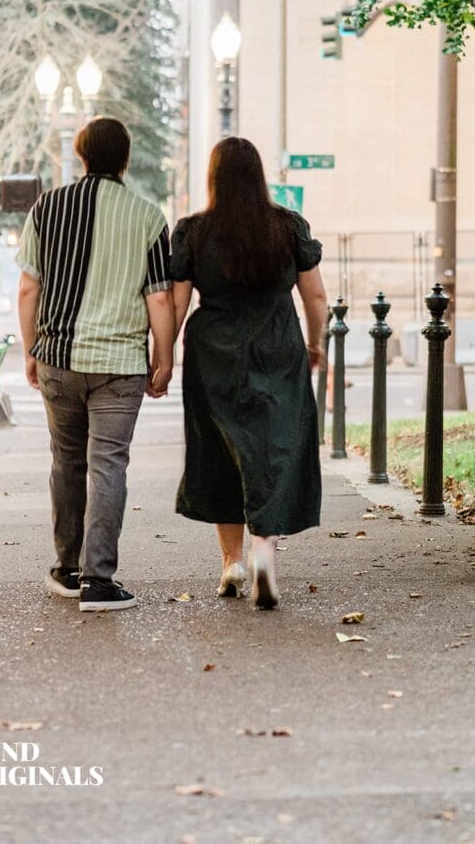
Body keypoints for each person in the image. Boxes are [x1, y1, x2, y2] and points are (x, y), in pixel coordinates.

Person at [17, 117, 174, 613]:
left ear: (81, 155)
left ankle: (66, 569)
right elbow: (160, 299)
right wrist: (164, 359)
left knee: (67, 460)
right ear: (124, 159)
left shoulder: (46, 208)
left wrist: (30, 350)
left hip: (58, 358)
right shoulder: (148, 217)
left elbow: (28, 288)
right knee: (108, 465)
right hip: (120, 363)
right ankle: (99, 581)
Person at [171, 137, 328, 610]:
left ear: (213, 176)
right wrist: (315, 344)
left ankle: (231, 563)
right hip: (278, 347)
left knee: (220, 452)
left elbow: (177, 302)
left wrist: (161, 356)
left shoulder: (193, 231)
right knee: (273, 448)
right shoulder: (287, 227)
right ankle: (264, 552)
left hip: (213, 353)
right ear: (259, 176)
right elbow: (316, 297)